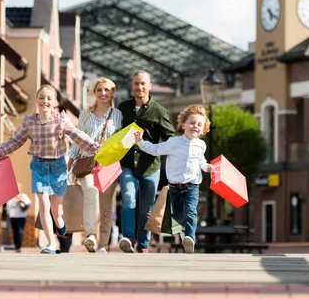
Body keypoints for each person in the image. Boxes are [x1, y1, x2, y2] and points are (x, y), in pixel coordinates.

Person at [0, 84, 100, 254]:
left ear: (54, 102)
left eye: (49, 98)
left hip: (58, 167)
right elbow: (14, 141)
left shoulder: (61, 120)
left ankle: (60, 223)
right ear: (37, 100)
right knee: (44, 205)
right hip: (38, 166)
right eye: (41, 97)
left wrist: (93, 147)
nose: (45, 101)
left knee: (57, 210)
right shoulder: (29, 122)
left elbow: (76, 134)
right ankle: (51, 244)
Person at [133, 104, 213, 254]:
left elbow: (201, 161)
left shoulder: (201, 145)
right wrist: (140, 142)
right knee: (177, 215)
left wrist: (207, 167)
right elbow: (155, 149)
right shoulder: (173, 142)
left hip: (192, 185)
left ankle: (189, 237)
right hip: (175, 187)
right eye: (192, 123)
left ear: (203, 130)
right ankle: (184, 230)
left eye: (199, 124)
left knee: (191, 212)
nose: (195, 126)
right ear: (184, 125)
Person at [117, 71, 175, 253]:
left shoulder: (159, 111)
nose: (139, 87)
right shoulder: (123, 108)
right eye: (136, 84)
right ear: (131, 85)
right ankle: (128, 238)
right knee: (128, 199)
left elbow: (170, 139)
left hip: (151, 166)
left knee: (146, 209)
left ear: (149, 86)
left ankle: (143, 244)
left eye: (143, 84)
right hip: (127, 163)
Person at [68, 77, 123, 253]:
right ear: (94, 92)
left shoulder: (118, 115)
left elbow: (120, 141)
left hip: (108, 164)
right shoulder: (85, 114)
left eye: (107, 90)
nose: (103, 93)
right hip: (87, 163)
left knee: (107, 207)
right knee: (91, 193)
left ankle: (103, 245)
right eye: (99, 90)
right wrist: (70, 163)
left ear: (112, 93)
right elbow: (77, 139)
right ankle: (91, 235)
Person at [6, 183, 32, 253]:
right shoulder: (11, 196)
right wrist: (16, 202)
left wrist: (22, 201)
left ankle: (19, 246)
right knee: (14, 231)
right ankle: (16, 246)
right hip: (13, 217)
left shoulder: (23, 196)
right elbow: (8, 206)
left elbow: (29, 204)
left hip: (21, 217)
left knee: (20, 231)